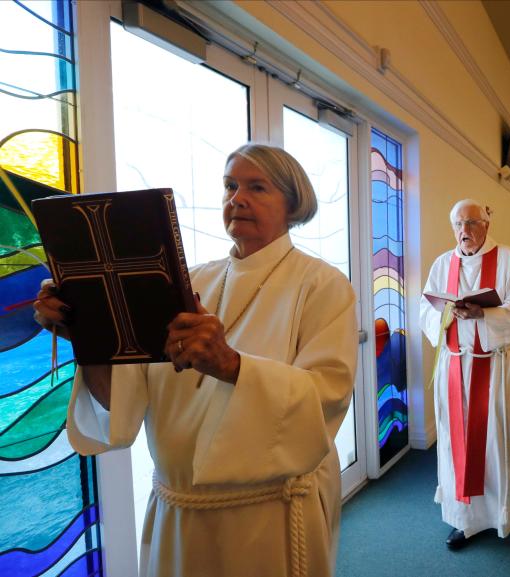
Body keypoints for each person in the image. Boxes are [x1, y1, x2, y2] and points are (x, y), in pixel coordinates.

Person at [34, 144, 357, 577]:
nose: (236, 198)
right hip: (178, 513)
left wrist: (231, 365)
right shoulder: (188, 283)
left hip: (266, 517)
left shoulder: (322, 285)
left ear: (293, 203)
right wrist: (86, 335)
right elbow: (124, 404)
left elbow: (327, 398)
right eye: (230, 185)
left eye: (256, 187)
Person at [419, 199, 510, 550]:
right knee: (457, 439)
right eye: (458, 224)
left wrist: (484, 315)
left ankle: (508, 509)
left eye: (471, 222)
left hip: (494, 364)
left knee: (500, 435)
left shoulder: (508, 259)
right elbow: (426, 307)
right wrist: (448, 314)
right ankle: (464, 519)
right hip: (455, 364)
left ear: (487, 224)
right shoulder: (443, 263)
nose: (464, 231)